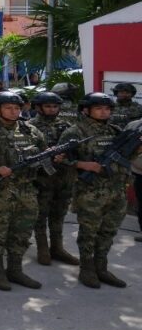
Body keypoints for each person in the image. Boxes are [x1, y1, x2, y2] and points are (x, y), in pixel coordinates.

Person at [0, 91, 48, 291]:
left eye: (17, 108)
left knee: (22, 232)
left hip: (26, 190)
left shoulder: (30, 131)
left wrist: (47, 160)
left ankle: (15, 269)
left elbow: (43, 153)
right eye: (9, 108)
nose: (14, 112)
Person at [57, 92, 136, 288]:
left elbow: (129, 156)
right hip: (90, 192)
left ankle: (102, 267)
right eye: (99, 108)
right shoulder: (75, 132)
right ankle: (86, 269)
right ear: (86, 110)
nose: (104, 112)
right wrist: (82, 164)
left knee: (108, 232)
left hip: (116, 191)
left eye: (107, 109)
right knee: (89, 233)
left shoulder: (115, 131)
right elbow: (58, 159)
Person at [27, 91, 78, 266]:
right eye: (48, 106)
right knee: (40, 215)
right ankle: (43, 248)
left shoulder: (68, 126)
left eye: (55, 106)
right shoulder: (29, 127)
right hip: (41, 179)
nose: (52, 109)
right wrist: (45, 157)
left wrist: (65, 157)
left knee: (59, 214)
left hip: (63, 178)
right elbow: (25, 152)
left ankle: (57, 248)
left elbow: (77, 150)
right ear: (38, 107)